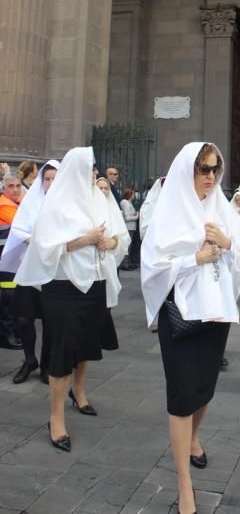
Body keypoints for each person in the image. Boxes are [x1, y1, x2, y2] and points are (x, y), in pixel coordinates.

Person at [141, 142, 240, 514]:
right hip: (181, 319)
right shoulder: (169, 211)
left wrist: (228, 241)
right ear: (187, 170)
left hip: (216, 314)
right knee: (182, 396)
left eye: (214, 168)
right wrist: (194, 258)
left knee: (204, 391)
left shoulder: (222, 206)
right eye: (202, 168)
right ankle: (184, 484)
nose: (209, 176)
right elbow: (153, 265)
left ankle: (193, 438)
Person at [14, 147, 122, 453]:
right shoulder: (55, 203)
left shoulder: (99, 198)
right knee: (62, 350)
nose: (93, 174)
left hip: (95, 283)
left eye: (95, 168)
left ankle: (80, 391)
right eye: (89, 167)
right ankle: (56, 416)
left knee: (87, 343)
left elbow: (118, 237)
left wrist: (108, 241)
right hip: (63, 287)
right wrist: (85, 240)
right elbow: (46, 247)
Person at [1, 161, 60, 384]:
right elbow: (18, 227)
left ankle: (46, 364)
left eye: (55, 178)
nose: (50, 183)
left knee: (50, 320)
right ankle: (29, 359)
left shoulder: (67, 205)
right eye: (47, 179)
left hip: (55, 270)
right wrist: (32, 240)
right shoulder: (31, 203)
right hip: (30, 266)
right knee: (24, 318)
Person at [0, 173, 23, 350]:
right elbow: (20, 225)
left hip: (13, 259)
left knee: (12, 296)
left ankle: (12, 332)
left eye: (17, 185)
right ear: (4, 188)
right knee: (7, 298)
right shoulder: (4, 205)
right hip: (5, 260)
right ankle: (7, 335)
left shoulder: (17, 204)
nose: (15, 189)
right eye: (11, 186)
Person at [120, 187, 139, 269]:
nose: (134, 195)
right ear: (130, 194)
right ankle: (125, 264)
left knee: (129, 246)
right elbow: (127, 218)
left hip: (131, 227)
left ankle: (127, 263)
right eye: (133, 193)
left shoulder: (129, 203)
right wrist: (137, 216)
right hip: (128, 227)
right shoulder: (125, 203)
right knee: (127, 245)